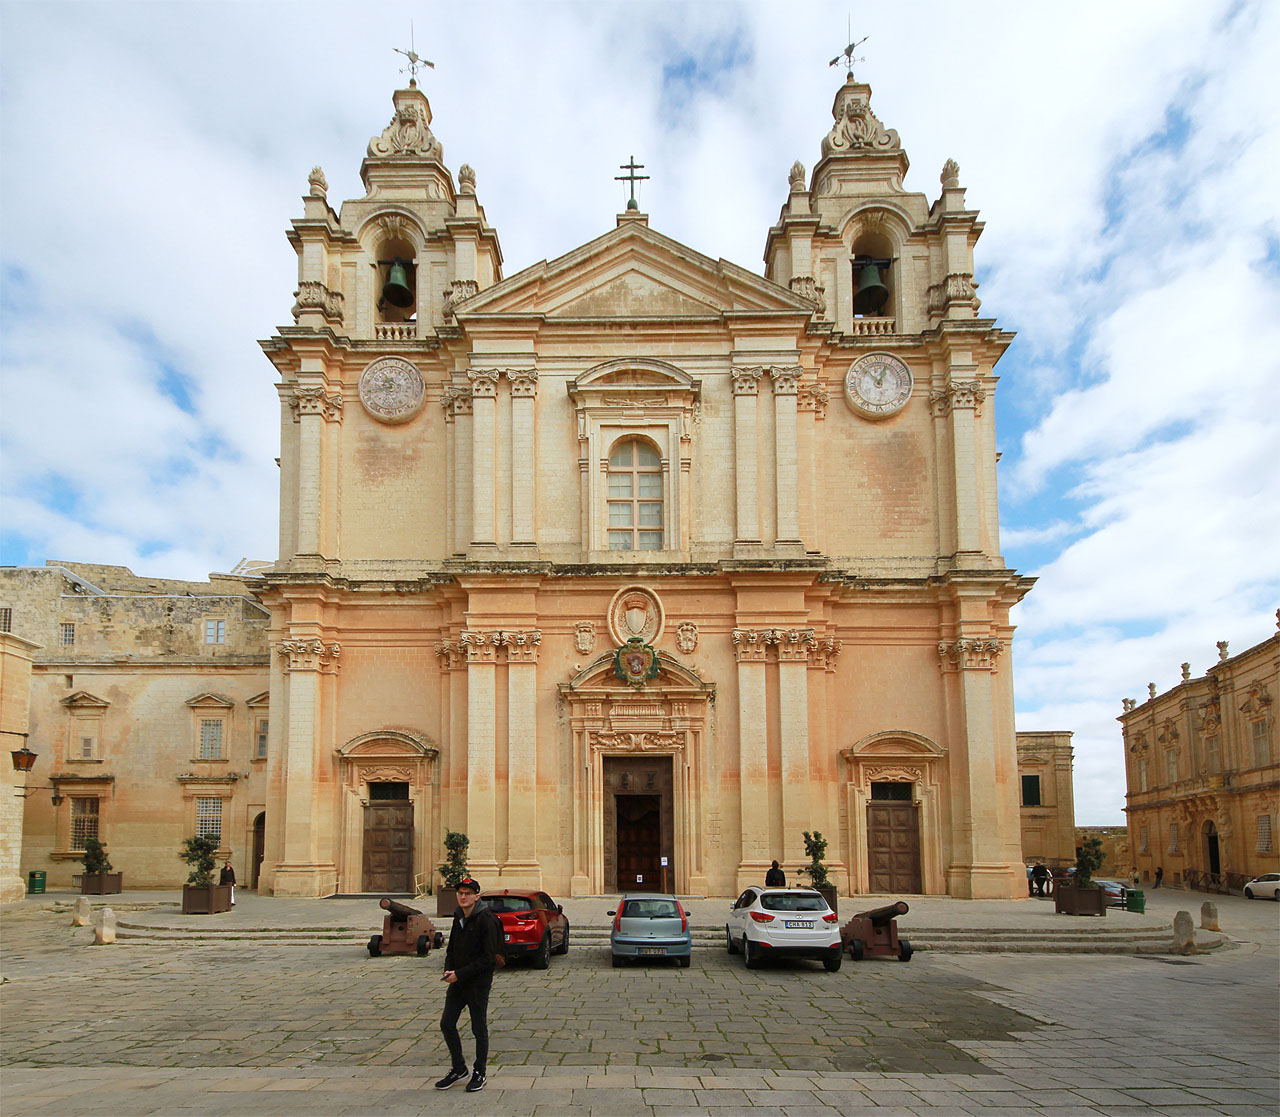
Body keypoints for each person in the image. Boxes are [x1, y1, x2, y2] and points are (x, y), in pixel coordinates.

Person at [436, 877, 500, 1093]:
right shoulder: (458, 917)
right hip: (458, 980)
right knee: (446, 1023)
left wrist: (460, 974)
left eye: (467, 894)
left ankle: (480, 1072)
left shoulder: (486, 919)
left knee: (478, 1028)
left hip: (477, 983)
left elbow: (488, 958)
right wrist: (448, 969)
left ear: (476, 896)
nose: (463, 897)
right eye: (460, 893)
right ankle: (458, 1068)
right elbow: (452, 948)